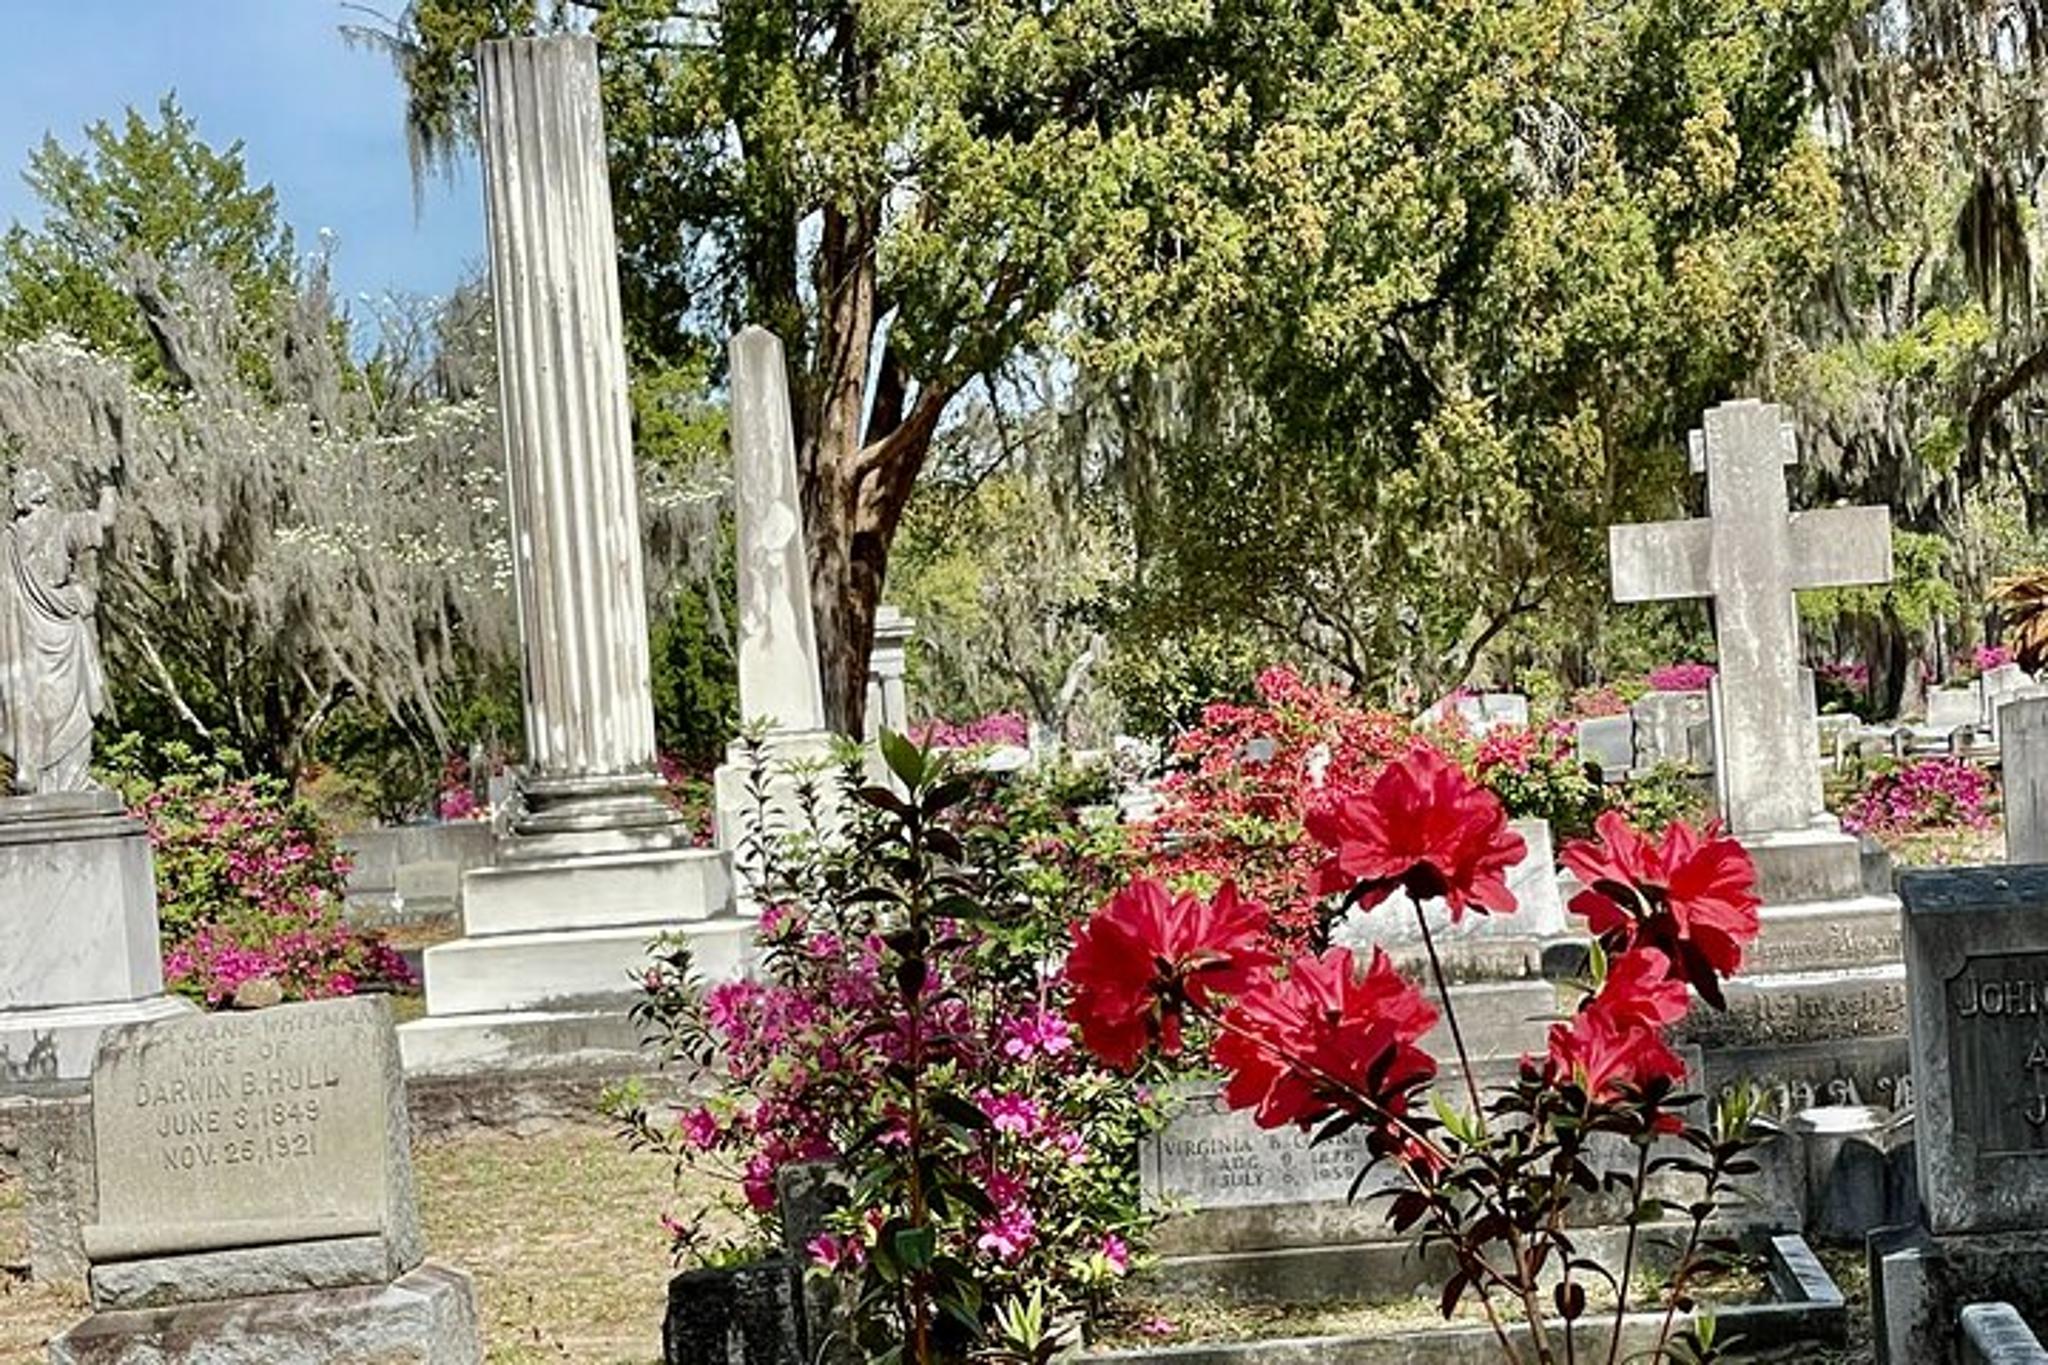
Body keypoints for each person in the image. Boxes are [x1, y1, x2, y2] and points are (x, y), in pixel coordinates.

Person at [0, 468, 116, 795]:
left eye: (19, 486)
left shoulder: (56, 526)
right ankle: (45, 778)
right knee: (39, 706)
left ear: (37, 492)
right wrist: (109, 484)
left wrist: (108, 483)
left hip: (48, 634)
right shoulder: (9, 539)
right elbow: (104, 520)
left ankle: (70, 781)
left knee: (69, 708)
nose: (13, 494)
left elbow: (102, 523)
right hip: (30, 638)